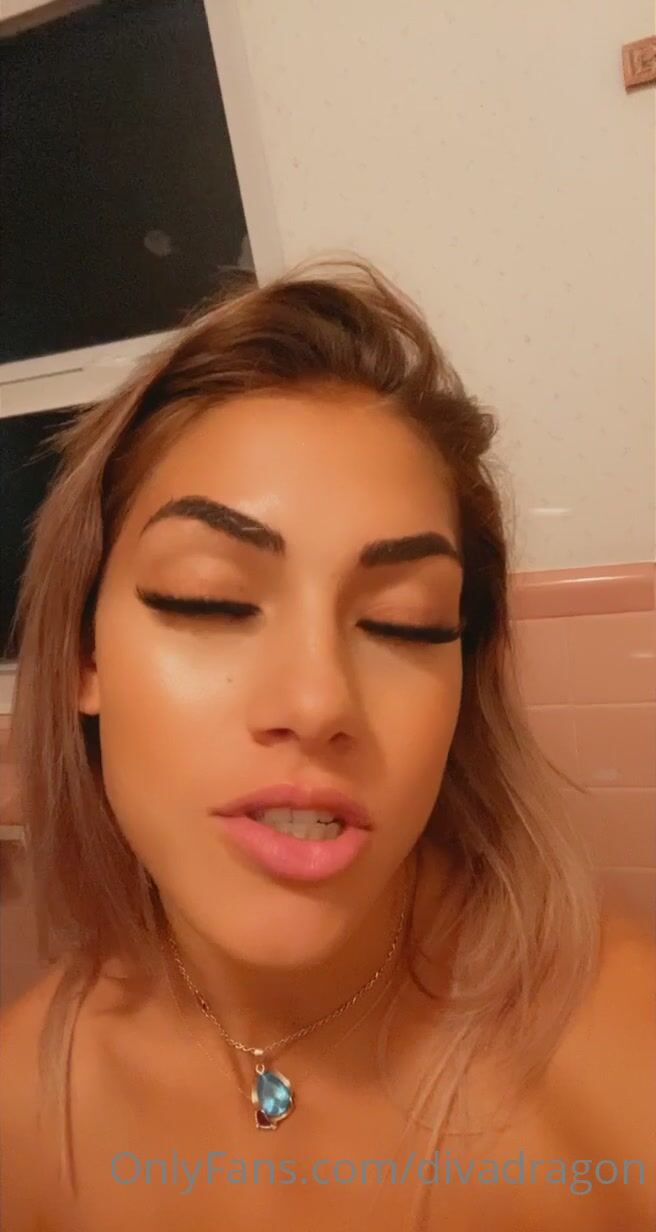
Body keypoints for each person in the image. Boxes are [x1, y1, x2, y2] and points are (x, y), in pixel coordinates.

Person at [0, 258, 653, 1231]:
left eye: (403, 621)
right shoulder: (23, 1110)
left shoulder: (620, 1049)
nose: (317, 702)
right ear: (85, 657)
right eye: (210, 600)